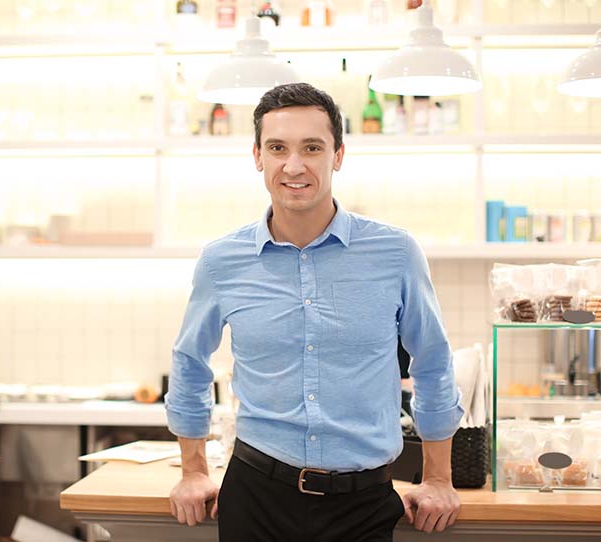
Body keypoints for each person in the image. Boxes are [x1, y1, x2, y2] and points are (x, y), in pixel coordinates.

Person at [165, 82, 463, 541]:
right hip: (256, 496)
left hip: (364, 504)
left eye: (312, 147)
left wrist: (439, 478)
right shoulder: (221, 261)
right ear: (258, 156)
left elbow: (434, 362)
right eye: (278, 147)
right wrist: (192, 469)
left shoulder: (396, 252)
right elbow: (189, 362)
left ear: (338, 155)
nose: (294, 165)